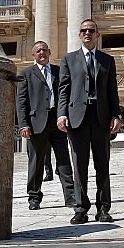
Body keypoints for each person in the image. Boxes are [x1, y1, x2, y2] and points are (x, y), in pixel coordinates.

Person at [57, 19, 121, 224]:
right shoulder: (69, 60)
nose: (87, 33)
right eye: (83, 30)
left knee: (102, 165)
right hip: (77, 119)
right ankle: (81, 208)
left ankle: (103, 208)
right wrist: (61, 114)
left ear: (97, 35)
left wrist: (116, 115)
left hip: (101, 117)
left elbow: (112, 92)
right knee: (79, 165)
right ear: (79, 35)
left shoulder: (107, 60)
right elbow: (63, 90)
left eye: (91, 31)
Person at [17, 40, 75, 210]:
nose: (41, 53)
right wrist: (23, 124)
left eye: (44, 50)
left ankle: (70, 196)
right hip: (36, 123)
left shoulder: (59, 71)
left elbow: (66, 94)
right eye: (38, 51)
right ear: (33, 55)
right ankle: (34, 197)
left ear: (49, 52)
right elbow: (21, 102)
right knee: (36, 162)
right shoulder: (26, 73)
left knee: (64, 160)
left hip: (57, 121)